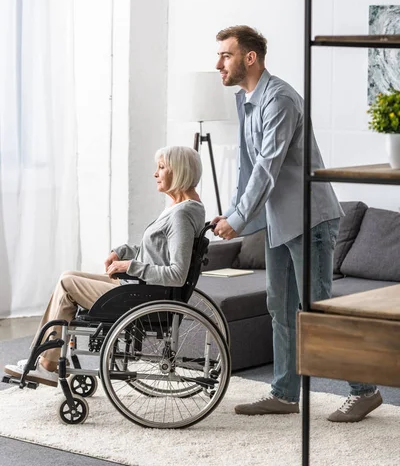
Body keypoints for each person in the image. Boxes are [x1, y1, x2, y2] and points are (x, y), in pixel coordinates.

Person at [212, 25, 382, 423]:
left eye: (226, 55)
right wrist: (234, 210)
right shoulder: (247, 100)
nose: (219, 62)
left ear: (249, 58)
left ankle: (365, 390)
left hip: (310, 220)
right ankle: (285, 393)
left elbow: (268, 169)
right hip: (277, 221)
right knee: (279, 306)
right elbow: (247, 166)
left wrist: (238, 221)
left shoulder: (280, 100)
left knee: (317, 308)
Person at [5, 146, 205, 387]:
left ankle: (47, 364)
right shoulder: (180, 208)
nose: (155, 173)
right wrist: (121, 252)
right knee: (68, 275)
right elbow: (156, 252)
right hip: (141, 288)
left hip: (144, 297)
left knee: (68, 284)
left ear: (180, 172)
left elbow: (176, 274)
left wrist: (130, 266)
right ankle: (45, 357)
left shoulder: (180, 215)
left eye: (161, 168)